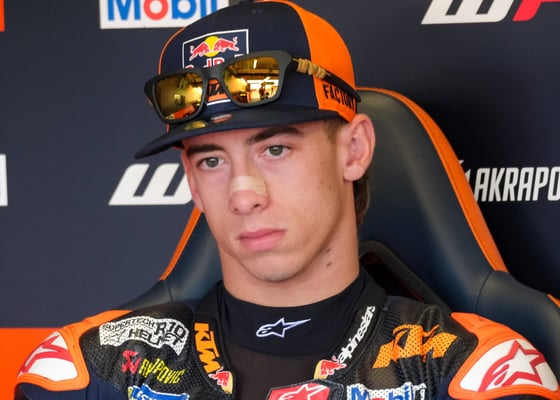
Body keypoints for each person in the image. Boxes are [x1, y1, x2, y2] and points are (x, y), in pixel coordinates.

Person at [15, 1, 560, 399]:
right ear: (192, 181)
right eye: (211, 160)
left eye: (274, 149)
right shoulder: (90, 369)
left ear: (354, 150)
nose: (243, 193)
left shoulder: (473, 370)